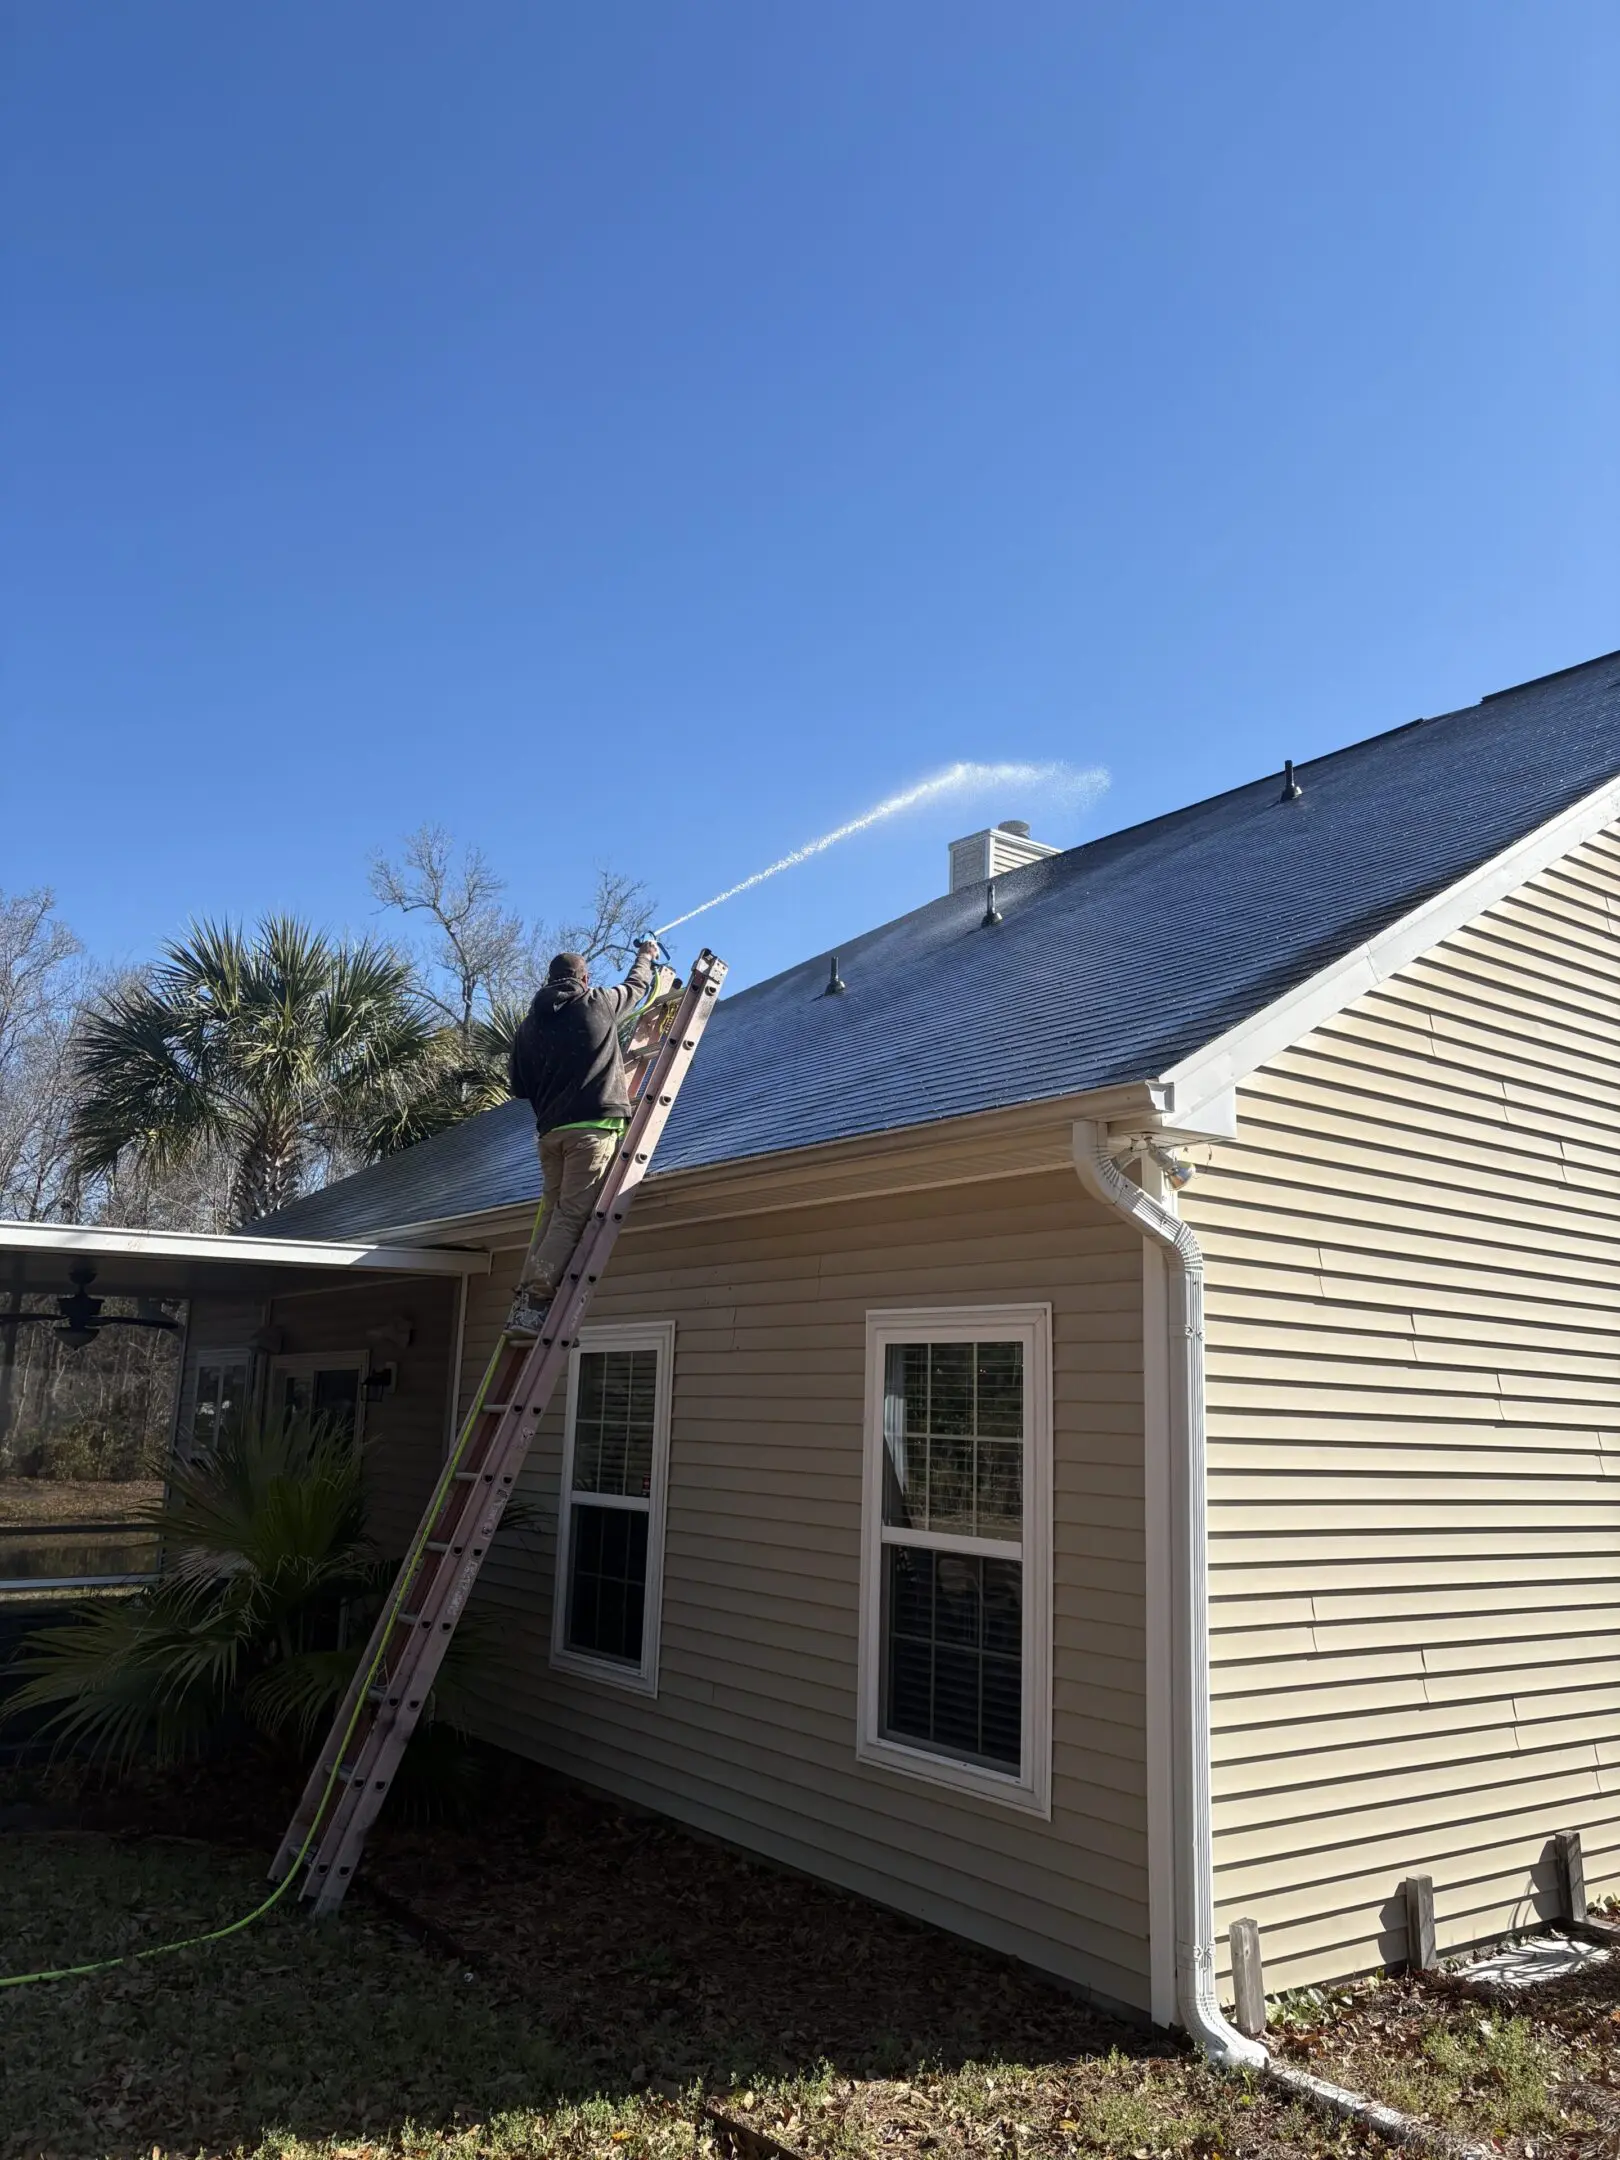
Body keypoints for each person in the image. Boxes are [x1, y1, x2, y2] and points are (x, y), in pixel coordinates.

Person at [504, 939, 665, 1334]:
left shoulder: (527, 1029)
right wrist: (646, 956)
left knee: (552, 1213)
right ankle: (537, 1299)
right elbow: (637, 987)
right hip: (592, 1130)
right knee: (571, 1215)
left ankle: (525, 1298)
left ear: (549, 980)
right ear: (584, 978)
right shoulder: (595, 1002)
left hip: (550, 1134)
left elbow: (519, 1087)